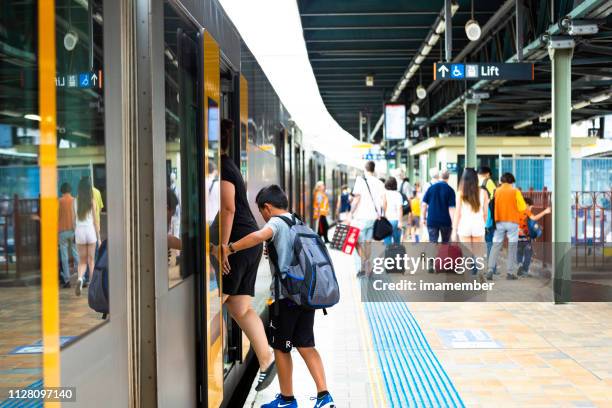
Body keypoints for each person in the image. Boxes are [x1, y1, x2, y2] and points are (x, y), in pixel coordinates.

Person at [223, 185, 334, 408]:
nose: (263, 217)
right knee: (306, 345)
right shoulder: (297, 221)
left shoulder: (275, 222)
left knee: (281, 348)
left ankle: (286, 400)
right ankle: (324, 397)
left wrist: (230, 248)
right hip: (305, 296)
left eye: (262, 212)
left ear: (267, 207)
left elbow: (258, 235)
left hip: (286, 298)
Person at [218, 119, 275, 390]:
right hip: (246, 241)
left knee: (212, 304)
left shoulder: (223, 169)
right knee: (240, 307)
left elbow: (228, 209)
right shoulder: (227, 165)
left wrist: (224, 247)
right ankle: (267, 359)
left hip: (239, 244)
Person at [486, 172, 527, 280]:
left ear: (502, 181)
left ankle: (490, 270)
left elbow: (491, 204)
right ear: (512, 181)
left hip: (499, 221)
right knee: (512, 246)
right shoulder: (515, 191)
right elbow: (522, 207)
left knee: (496, 245)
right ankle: (509, 272)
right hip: (512, 222)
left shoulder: (496, 191)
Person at [349, 161, 385, 277]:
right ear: (373, 170)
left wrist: (350, 213)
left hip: (361, 218)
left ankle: (365, 266)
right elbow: (384, 201)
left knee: (356, 242)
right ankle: (366, 266)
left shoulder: (360, 181)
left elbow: (357, 199)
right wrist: (382, 214)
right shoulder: (379, 182)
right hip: (374, 218)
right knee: (368, 243)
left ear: (365, 169)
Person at [452, 168, 489, 281]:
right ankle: (481, 276)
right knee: (478, 254)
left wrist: (454, 230)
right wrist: (482, 222)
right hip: (478, 225)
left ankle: (467, 280)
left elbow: (457, 213)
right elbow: (485, 213)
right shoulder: (483, 192)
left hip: (464, 226)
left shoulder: (460, 193)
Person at [74, 177, 100, 296]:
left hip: (79, 231)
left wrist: (76, 232)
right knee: (91, 260)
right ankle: (92, 285)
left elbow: (73, 221)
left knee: (82, 261)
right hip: (90, 231)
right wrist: (98, 237)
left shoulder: (75, 201)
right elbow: (95, 221)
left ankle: (80, 278)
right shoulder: (92, 201)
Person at [517, 197, 551, 277]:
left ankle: (519, 264)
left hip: (516, 236)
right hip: (526, 237)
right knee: (528, 253)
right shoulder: (526, 211)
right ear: (527, 205)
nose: (531, 209)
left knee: (519, 252)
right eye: (531, 207)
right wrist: (545, 212)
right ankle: (525, 270)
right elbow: (534, 218)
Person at [421, 171, 455, 243]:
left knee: (433, 243)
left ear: (439, 177)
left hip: (432, 220)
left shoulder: (431, 188)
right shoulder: (450, 190)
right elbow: (451, 208)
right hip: (446, 221)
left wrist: (423, 218)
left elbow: (424, 205)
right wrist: (453, 222)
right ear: (448, 177)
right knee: (445, 243)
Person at [58, 182, 79, 288]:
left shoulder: (59, 202)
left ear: (62, 190)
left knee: (64, 256)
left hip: (62, 231)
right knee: (76, 254)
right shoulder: (74, 200)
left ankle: (66, 280)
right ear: (70, 190)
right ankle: (82, 278)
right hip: (73, 230)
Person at [478, 166, 497, 274]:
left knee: (489, 243)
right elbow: (494, 199)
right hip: (487, 219)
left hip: (485, 219)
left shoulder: (483, 184)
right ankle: (492, 267)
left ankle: (491, 268)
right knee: (490, 243)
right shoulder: (488, 183)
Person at [382, 177, 403, 245]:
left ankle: (389, 254)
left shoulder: (384, 194)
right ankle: (396, 255)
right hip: (395, 220)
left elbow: (383, 207)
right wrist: (400, 221)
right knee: (397, 242)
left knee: (387, 242)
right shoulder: (398, 194)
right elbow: (399, 209)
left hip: (386, 220)